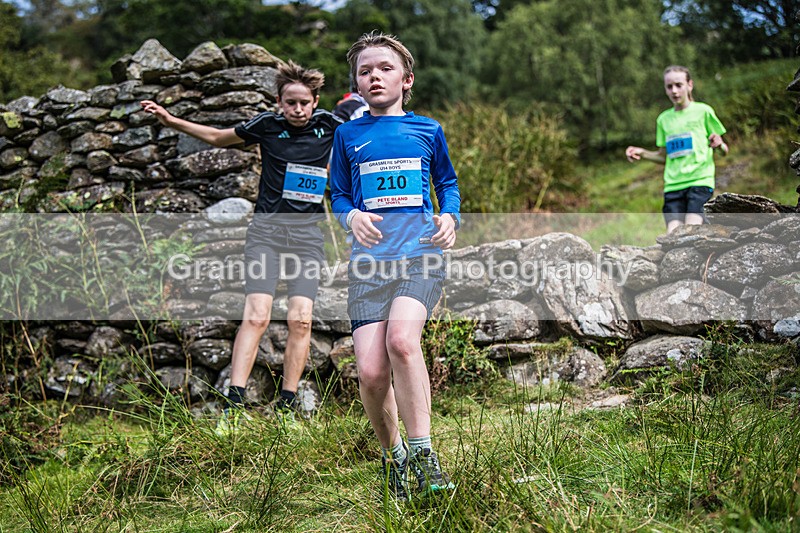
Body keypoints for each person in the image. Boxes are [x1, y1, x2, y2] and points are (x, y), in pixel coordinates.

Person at [140, 61, 342, 433]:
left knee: (301, 320)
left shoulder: (331, 125)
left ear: (315, 101)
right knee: (256, 316)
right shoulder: (267, 125)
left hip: (307, 237)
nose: (298, 109)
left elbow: (366, 139)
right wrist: (170, 121)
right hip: (266, 233)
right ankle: (232, 408)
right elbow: (218, 138)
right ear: (279, 102)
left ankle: (286, 408)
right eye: (290, 103)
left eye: (304, 103)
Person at [329, 31, 461, 501]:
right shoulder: (347, 135)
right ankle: (395, 459)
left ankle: (426, 457)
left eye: (384, 68)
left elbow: (448, 184)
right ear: (356, 85)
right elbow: (338, 194)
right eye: (364, 71)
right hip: (368, 267)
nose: (374, 76)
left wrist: (450, 217)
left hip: (420, 255)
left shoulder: (427, 129)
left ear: (406, 80)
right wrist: (351, 216)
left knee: (402, 342)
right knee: (370, 372)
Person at [625, 65, 729, 233]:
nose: (674, 91)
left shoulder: (703, 111)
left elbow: (724, 151)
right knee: (673, 233)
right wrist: (642, 153)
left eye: (678, 85)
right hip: (673, 186)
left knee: (691, 230)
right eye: (669, 86)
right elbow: (663, 157)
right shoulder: (663, 120)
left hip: (699, 181)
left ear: (690, 85)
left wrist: (720, 145)